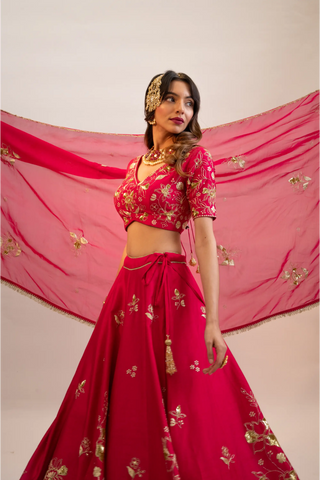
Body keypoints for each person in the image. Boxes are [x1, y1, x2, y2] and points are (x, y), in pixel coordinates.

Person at [20, 71, 299, 480]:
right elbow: (130, 238)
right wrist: (113, 297)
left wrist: (215, 322)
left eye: (189, 103)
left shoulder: (194, 159)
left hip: (169, 289)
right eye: (171, 99)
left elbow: (203, 239)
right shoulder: (136, 165)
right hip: (128, 288)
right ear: (152, 105)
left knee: (181, 403)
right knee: (120, 396)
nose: (181, 109)